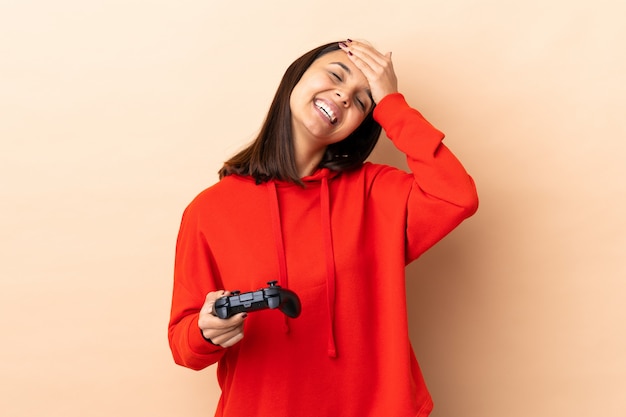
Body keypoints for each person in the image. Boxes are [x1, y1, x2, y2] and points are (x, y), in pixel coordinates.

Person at [168, 39, 478, 417]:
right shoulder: (209, 210)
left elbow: (456, 196)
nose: (345, 97)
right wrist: (205, 332)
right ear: (297, 77)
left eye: (364, 100)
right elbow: (183, 346)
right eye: (336, 75)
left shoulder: (376, 193)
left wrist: (392, 104)